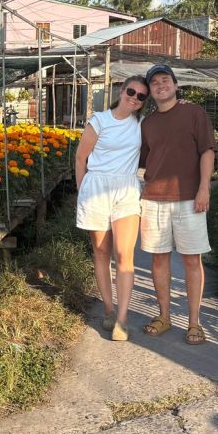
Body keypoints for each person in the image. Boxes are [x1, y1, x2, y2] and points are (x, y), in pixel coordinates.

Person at [138, 64, 217, 345]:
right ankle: (165, 316)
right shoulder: (146, 123)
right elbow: (141, 161)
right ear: (150, 92)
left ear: (175, 85)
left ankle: (194, 322)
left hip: (189, 199)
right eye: (155, 83)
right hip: (154, 199)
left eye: (165, 80)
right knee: (159, 259)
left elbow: (207, 151)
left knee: (191, 260)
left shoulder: (193, 113)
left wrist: (203, 188)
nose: (161, 85)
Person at [74, 75, 149, 341]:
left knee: (123, 254)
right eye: (132, 91)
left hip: (126, 189)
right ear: (122, 90)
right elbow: (81, 157)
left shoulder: (141, 124)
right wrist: (83, 190)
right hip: (96, 188)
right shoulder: (100, 121)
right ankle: (108, 309)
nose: (135, 98)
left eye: (141, 96)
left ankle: (122, 318)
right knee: (101, 252)